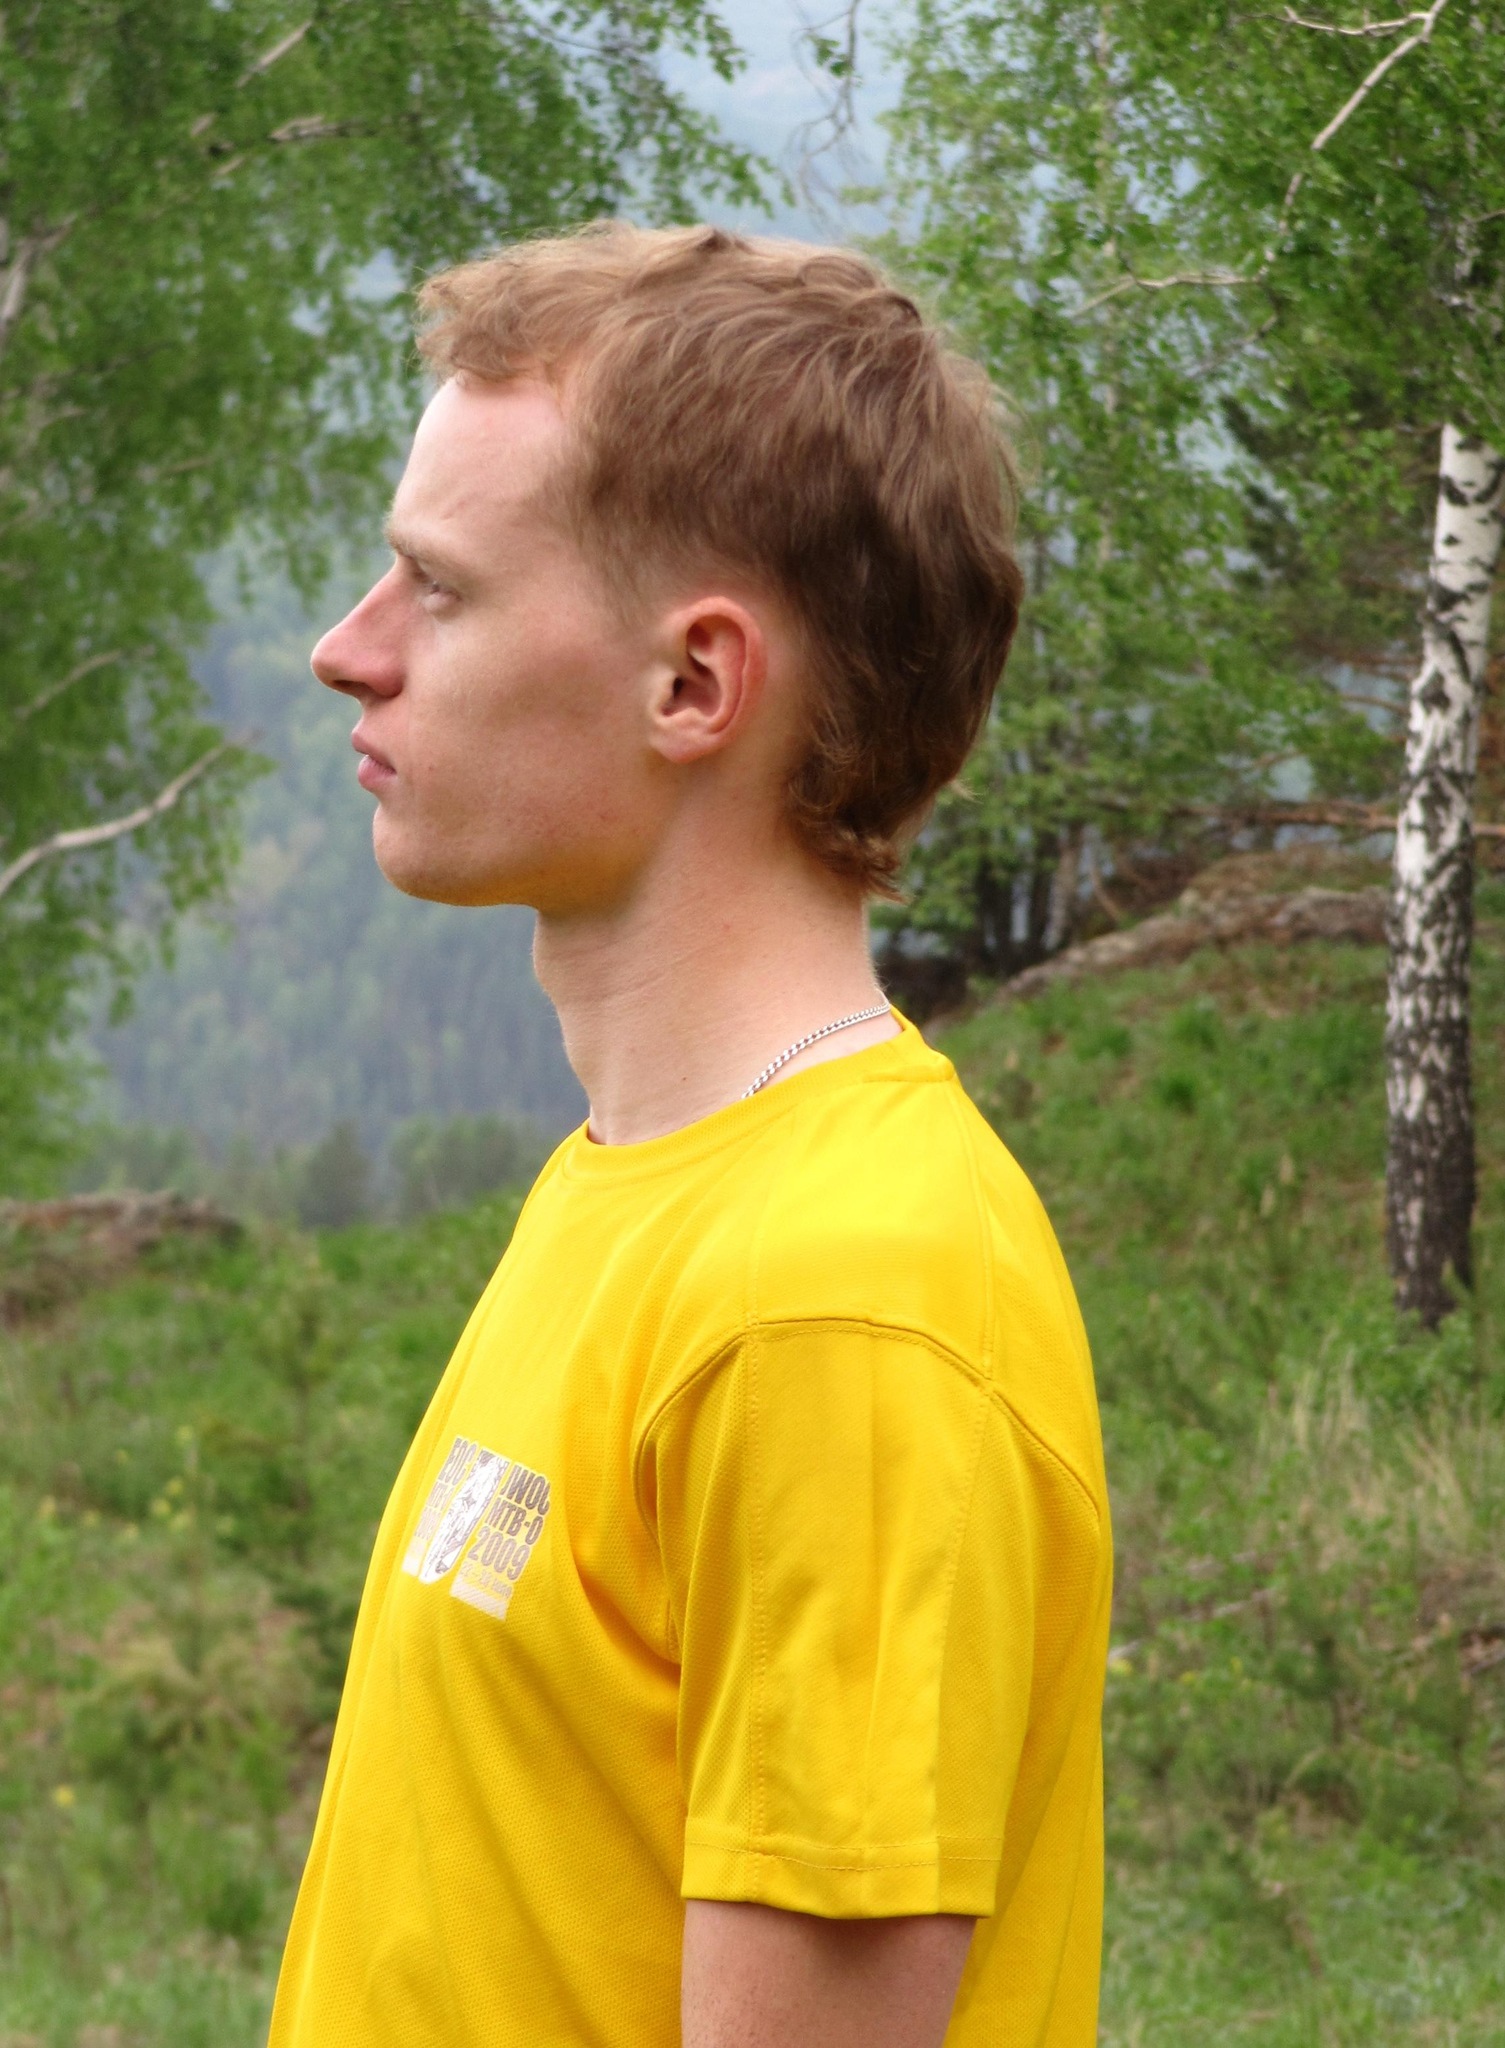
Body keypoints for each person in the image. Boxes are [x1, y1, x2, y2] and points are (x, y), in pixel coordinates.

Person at [268, 223, 1111, 2048]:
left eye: (440, 589)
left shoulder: (843, 1305)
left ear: (694, 686)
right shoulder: (649, 1183)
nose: (349, 651)